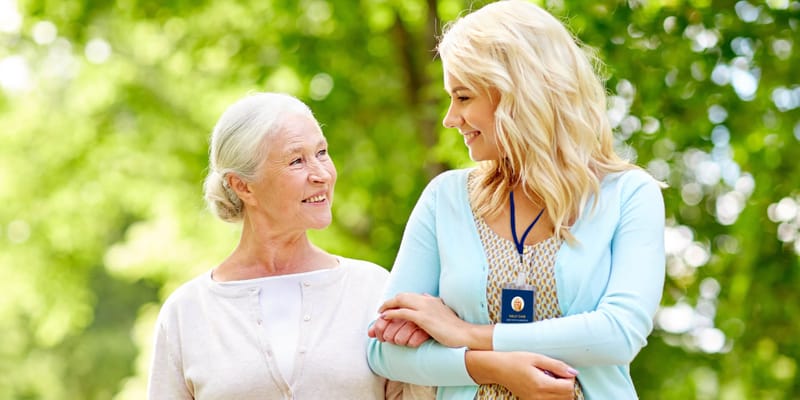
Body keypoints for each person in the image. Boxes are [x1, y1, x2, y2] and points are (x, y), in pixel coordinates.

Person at [367, 1, 666, 399]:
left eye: (463, 97)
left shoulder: (629, 194)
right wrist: (493, 366)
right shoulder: (445, 199)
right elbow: (383, 351)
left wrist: (466, 334)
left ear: (516, 93)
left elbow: (618, 333)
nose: (450, 119)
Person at [147, 92, 399, 399]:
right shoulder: (187, 312)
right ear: (243, 186)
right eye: (296, 161)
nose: (322, 174)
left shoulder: (374, 289)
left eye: (321, 152)